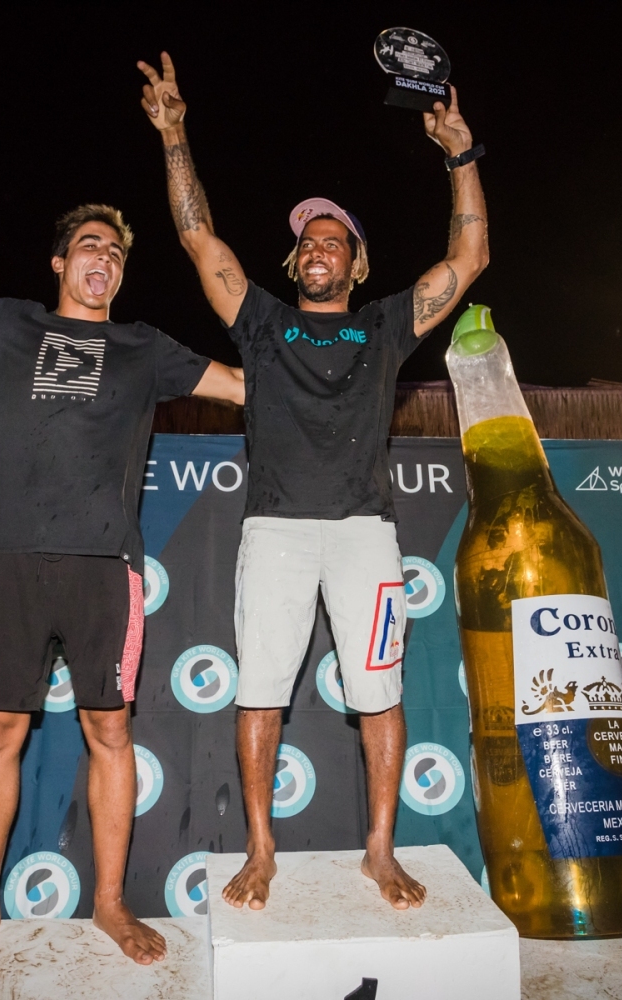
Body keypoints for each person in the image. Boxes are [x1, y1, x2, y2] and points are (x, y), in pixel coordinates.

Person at [0, 137, 245, 973]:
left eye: (117, 253)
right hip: (9, 560)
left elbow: (246, 386)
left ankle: (109, 902)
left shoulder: (144, 346)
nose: (105, 259)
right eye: (91, 246)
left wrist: (329, 366)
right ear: (61, 262)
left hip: (105, 566)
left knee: (110, 731)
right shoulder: (4, 325)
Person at [137, 52, 489, 911]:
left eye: (335, 241)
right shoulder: (261, 323)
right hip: (277, 532)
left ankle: (380, 851)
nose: (319, 248)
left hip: (366, 534)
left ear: (356, 265)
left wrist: (459, 153)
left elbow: (470, 255)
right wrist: (175, 135)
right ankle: (261, 851)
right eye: (308, 242)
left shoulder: (384, 326)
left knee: (380, 694)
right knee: (260, 691)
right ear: (294, 263)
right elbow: (197, 237)